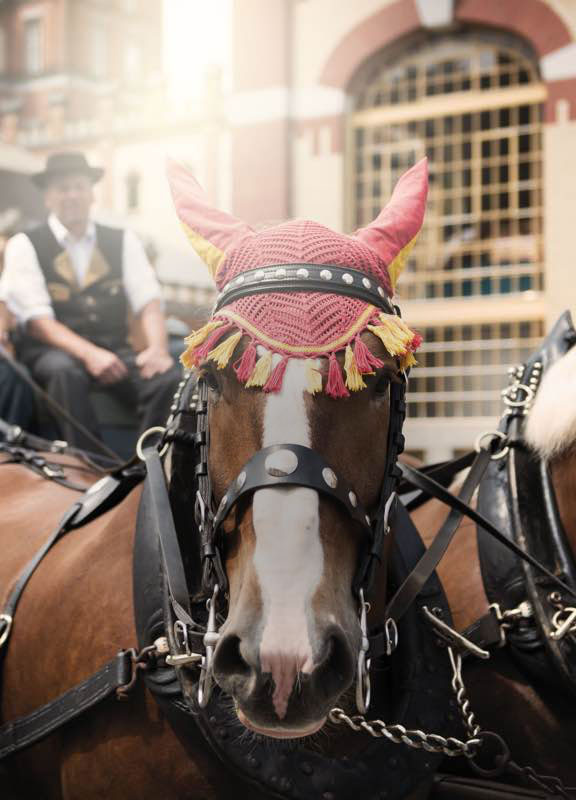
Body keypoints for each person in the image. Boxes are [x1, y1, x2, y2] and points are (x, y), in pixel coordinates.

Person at [1, 151, 181, 450]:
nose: (72, 195)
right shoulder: (25, 244)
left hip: (113, 349)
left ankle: (149, 466)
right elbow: (38, 323)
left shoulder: (123, 240)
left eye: (78, 187)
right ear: (48, 197)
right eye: (62, 188)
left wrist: (158, 351)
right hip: (52, 352)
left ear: (91, 194)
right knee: (64, 373)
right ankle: (93, 466)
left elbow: (149, 303)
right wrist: (90, 355)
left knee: (166, 379)